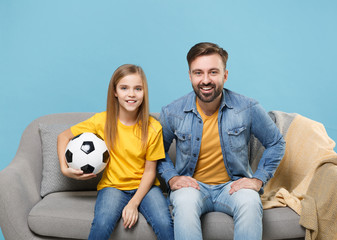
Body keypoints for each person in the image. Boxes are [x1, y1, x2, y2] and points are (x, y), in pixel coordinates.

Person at [157, 42, 286, 240]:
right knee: (184, 202)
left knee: (250, 201)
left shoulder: (247, 107)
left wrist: (258, 178)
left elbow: (276, 142)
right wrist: (172, 178)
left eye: (213, 72)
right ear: (190, 76)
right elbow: (156, 152)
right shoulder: (172, 112)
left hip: (233, 187)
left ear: (225, 75)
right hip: (193, 187)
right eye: (198, 73)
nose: (206, 80)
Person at [57, 64, 174, 240]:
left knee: (165, 224)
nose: (131, 94)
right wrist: (64, 169)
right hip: (113, 186)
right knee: (102, 223)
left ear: (144, 92)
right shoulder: (101, 121)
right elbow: (63, 137)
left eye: (138, 88)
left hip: (145, 187)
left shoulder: (153, 127)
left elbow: (150, 171)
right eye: (124, 88)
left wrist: (134, 203)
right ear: (115, 92)